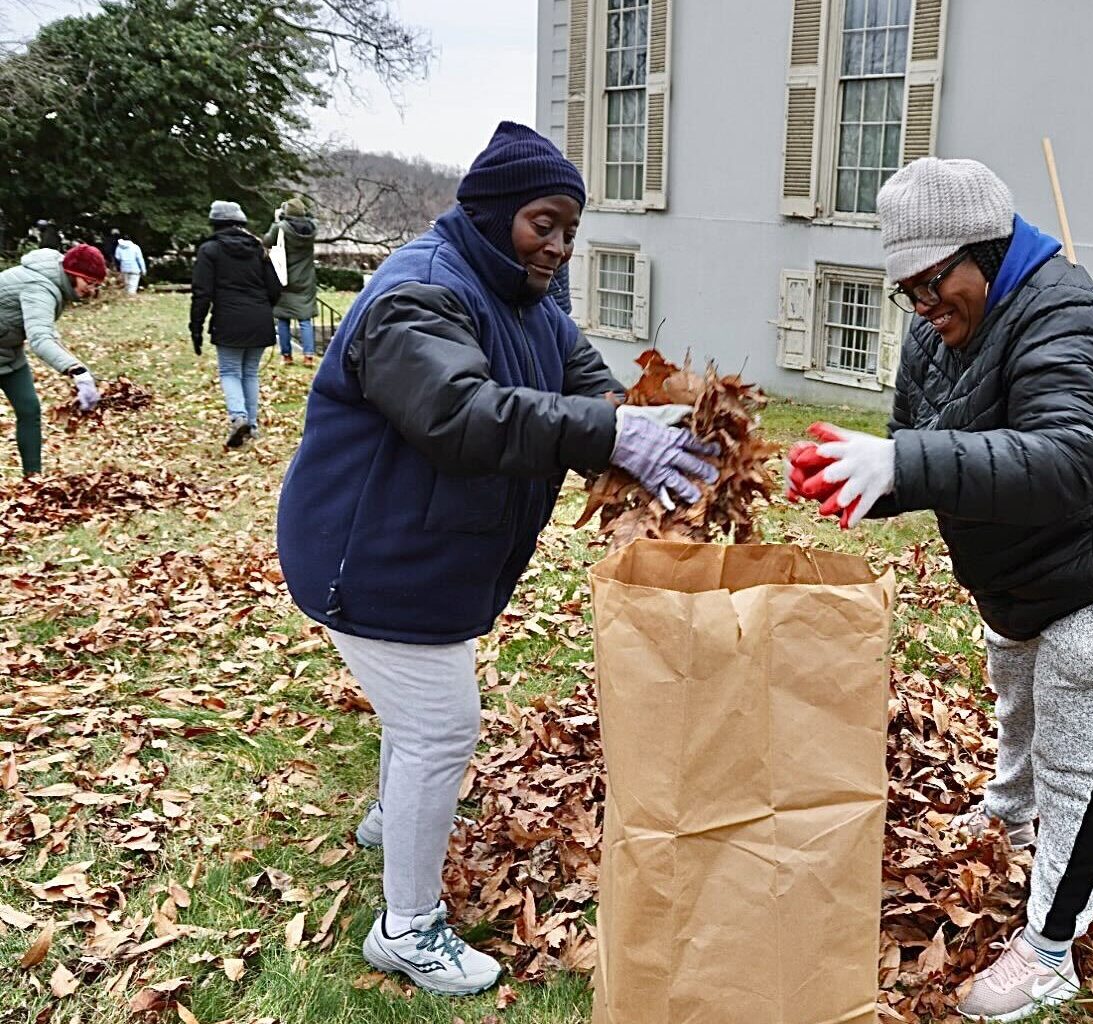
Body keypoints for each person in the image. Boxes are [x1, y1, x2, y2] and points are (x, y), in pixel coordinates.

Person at [788, 158, 1093, 1022]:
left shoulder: (1069, 317)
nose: (921, 302)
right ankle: (1010, 815)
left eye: (933, 280)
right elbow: (935, 451)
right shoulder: (934, 333)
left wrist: (905, 460)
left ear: (988, 253)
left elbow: (1068, 458)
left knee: (1087, 739)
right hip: (1045, 564)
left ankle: (1051, 948)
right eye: (906, 287)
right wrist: (868, 478)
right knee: (1020, 686)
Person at [276, 122, 717, 996]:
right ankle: (406, 928)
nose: (556, 245)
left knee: (420, 719)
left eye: (568, 232)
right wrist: (610, 433)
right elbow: (460, 412)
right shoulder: (417, 294)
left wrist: (648, 424)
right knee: (442, 728)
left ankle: (390, 817)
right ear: (491, 212)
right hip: (369, 555)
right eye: (542, 223)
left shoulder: (530, 300)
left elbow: (586, 383)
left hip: (431, 552)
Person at [0, 245, 105, 476]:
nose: (92, 290)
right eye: (89, 282)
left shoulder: (54, 281)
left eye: (97, 285)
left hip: (8, 352)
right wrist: (77, 372)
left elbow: (47, 332)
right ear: (73, 273)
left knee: (29, 409)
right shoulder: (39, 288)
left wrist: (78, 367)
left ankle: (33, 480)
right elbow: (40, 339)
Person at [190, 200, 280, 449]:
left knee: (230, 371)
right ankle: (251, 424)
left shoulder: (210, 250)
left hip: (229, 319)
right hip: (259, 318)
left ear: (215, 224)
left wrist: (195, 327)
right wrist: (262, 309)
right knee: (250, 372)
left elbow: (202, 292)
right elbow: (275, 287)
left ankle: (239, 417)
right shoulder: (258, 249)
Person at [265, 197, 319, 365]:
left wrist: (276, 221)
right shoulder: (312, 229)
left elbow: (267, 241)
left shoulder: (281, 228)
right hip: (306, 278)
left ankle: (287, 356)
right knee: (305, 319)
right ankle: (308, 356)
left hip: (284, 277)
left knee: (283, 318)